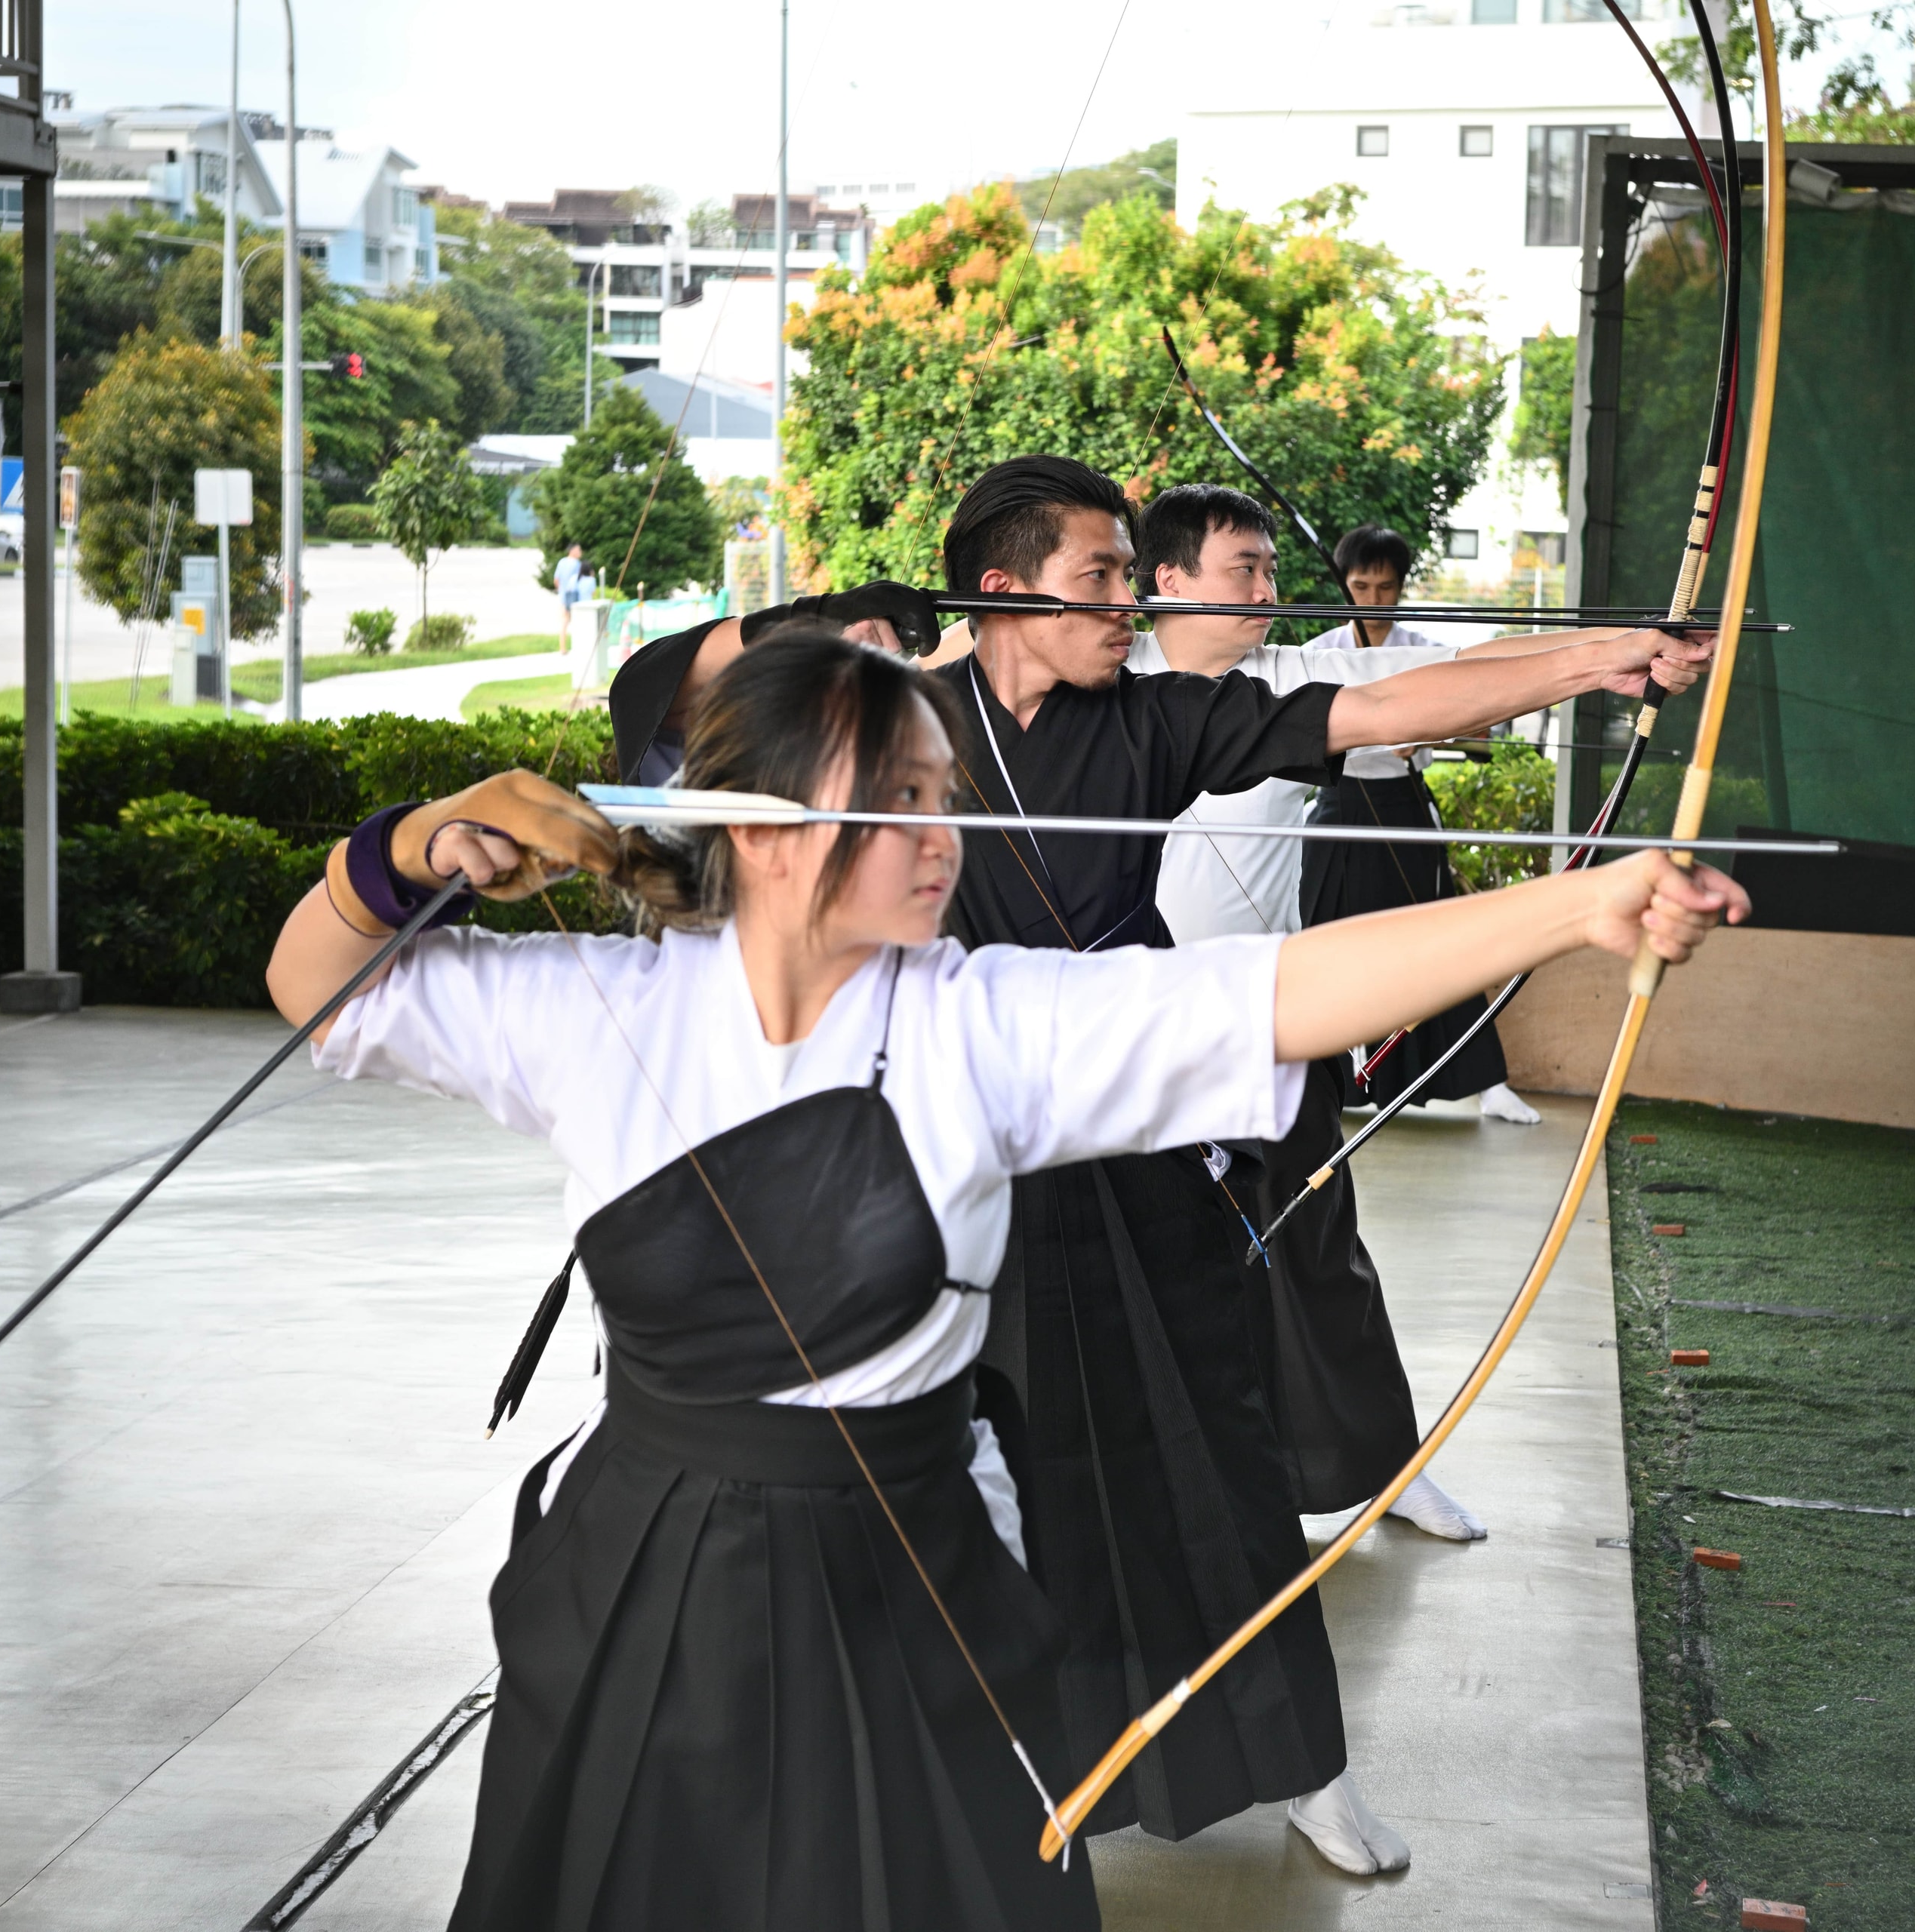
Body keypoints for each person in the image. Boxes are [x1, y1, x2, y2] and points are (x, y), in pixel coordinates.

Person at [264, 626, 1747, 1927]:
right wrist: (406, 846)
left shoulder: (988, 1019)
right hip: (641, 1555)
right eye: (897, 802)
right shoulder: (598, 1005)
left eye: (944, 798)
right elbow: (318, 987)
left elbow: (1277, 994)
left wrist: (1571, 908)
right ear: (769, 830)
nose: (940, 835)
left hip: (908, 1562)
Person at [603, 457, 1705, 1875]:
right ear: (1002, 592)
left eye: (1135, 575)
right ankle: (938, 1783)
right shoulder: (893, 707)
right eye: (1103, 578)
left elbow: (1370, 709)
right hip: (937, 1133)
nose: (1133, 603)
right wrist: (803, 627)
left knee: (1211, 1451)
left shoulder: (1155, 718)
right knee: (938, 1472)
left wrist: (1596, 660)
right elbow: (652, 707)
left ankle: (1300, 1759)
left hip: (1120, 1107)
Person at [1130, 485, 1706, 1545]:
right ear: (1165, 581)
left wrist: (1611, 651)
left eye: (1270, 569)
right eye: (1240, 572)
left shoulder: (1290, 678)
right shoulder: (1103, 687)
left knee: (1316, 1255)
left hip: (1267, 1020)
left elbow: (1436, 682)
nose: (1267, 590)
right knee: (1132, 1267)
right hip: (1120, 1030)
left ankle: (1378, 1468)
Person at [1303, 522, 1547, 1124]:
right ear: (1345, 586)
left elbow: (1478, 722)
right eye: (1361, 586)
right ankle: (1326, 1088)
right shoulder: (1319, 652)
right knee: (1325, 948)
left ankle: (1486, 1081)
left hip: (1404, 806)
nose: (1374, 599)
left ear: (1401, 587)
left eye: (1386, 587)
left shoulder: (1422, 650)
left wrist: (1431, 730)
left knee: (1439, 943)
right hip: (1339, 811)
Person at [553, 542, 587, 655]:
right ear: (572, 551)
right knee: (576, 621)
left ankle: (563, 647)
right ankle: (578, 646)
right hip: (573, 596)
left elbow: (556, 580)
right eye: (579, 550)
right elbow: (579, 582)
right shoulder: (577, 564)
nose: (580, 552)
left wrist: (561, 591)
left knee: (564, 622)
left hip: (563, 596)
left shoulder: (562, 562)